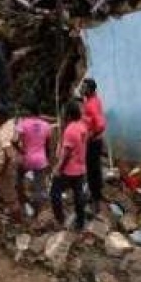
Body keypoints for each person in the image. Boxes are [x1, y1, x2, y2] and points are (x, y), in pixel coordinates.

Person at [51, 99, 88, 231]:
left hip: (68, 170)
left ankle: (60, 219)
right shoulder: (82, 126)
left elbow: (66, 154)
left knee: (54, 193)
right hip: (80, 168)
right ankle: (80, 223)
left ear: (69, 114)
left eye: (65, 112)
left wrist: (58, 169)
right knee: (78, 195)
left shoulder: (70, 130)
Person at [15, 112, 53, 214]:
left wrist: (21, 151)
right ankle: (38, 212)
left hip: (27, 158)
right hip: (41, 160)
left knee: (18, 176)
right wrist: (48, 159)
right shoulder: (46, 125)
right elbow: (48, 146)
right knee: (39, 186)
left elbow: (14, 140)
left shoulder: (23, 123)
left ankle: (22, 200)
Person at [0, 116, 24, 222]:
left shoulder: (2, 132)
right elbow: (17, 144)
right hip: (10, 163)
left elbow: (8, 154)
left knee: (10, 197)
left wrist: (3, 169)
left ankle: (19, 223)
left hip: (3, 165)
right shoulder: (13, 124)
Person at [81, 78, 107, 215]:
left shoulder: (91, 104)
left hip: (93, 142)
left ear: (90, 90)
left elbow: (101, 125)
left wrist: (90, 136)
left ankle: (95, 200)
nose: (81, 90)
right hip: (95, 141)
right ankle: (96, 195)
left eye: (84, 87)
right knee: (94, 169)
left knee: (92, 171)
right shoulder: (93, 101)